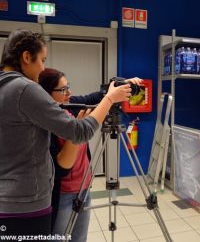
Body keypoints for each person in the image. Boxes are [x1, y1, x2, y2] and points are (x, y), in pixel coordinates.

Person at [0, 29, 132, 239]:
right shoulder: (25, 89)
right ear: (26, 57)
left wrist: (112, 90)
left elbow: (86, 98)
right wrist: (110, 101)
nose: (42, 68)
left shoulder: (5, 87)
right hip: (26, 203)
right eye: (41, 60)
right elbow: (80, 132)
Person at [38, 68, 142, 241]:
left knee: (80, 238)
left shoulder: (70, 105)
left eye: (68, 87)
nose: (69, 93)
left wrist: (120, 85)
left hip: (84, 188)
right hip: (62, 194)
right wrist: (77, 131)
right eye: (63, 89)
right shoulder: (46, 122)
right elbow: (61, 169)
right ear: (46, 94)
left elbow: (94, 98)